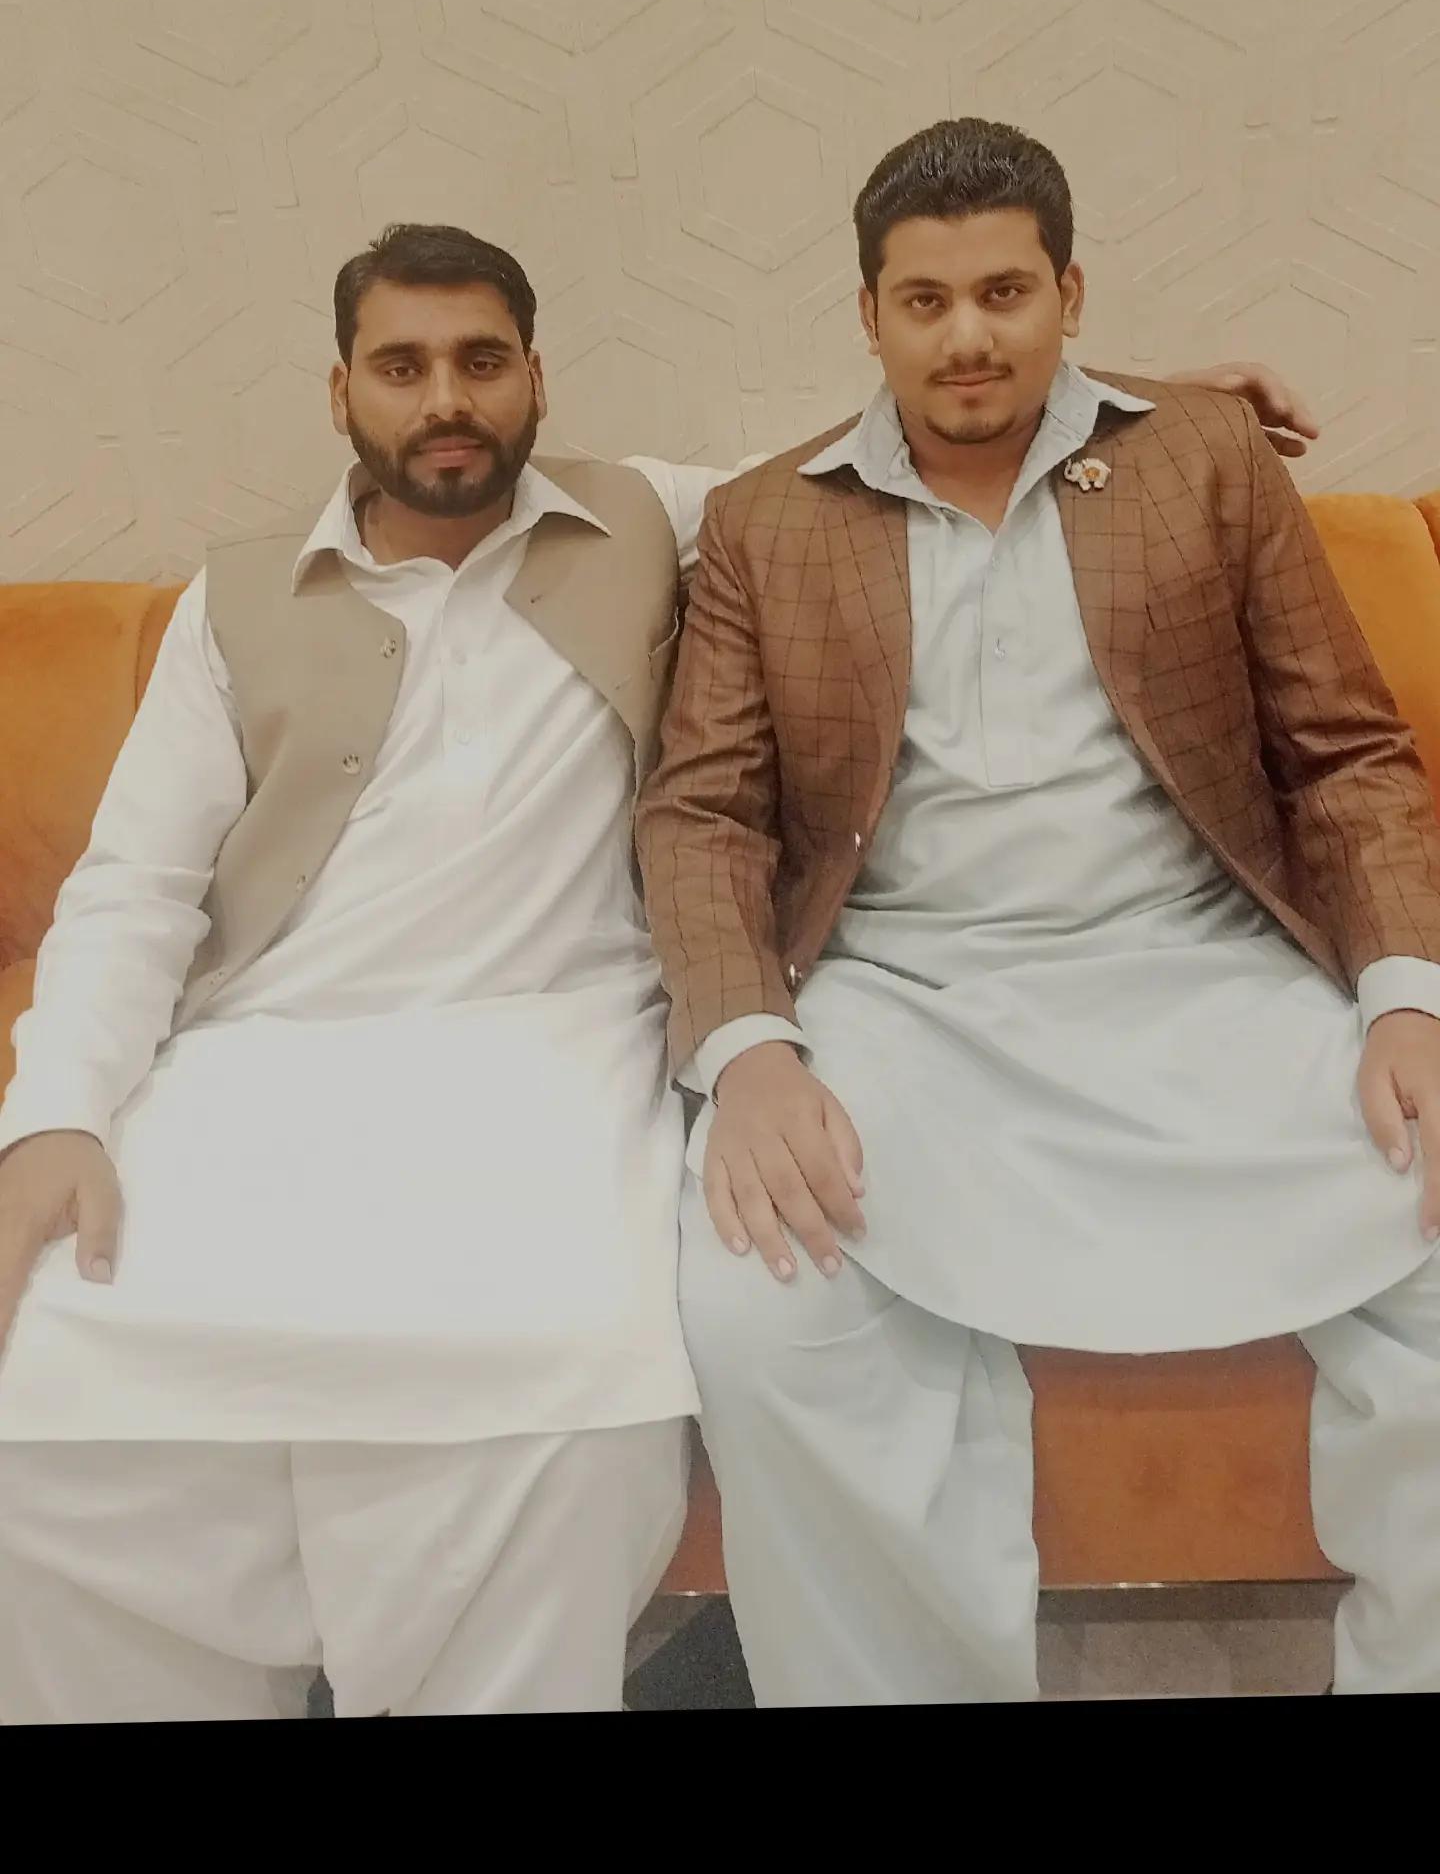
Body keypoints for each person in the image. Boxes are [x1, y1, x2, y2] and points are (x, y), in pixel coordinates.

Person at [0, 215, 1312, 1723]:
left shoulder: (650, 519)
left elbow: (896, 437)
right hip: (264, 1058)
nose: (447, 399)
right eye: (403, 367)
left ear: (537, 376)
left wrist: (1141, 402)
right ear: (341, 390)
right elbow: (136, 887)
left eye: (482, 361)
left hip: (553, 1052)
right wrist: (58, 1115)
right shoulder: (229, 604)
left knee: (573, 1400)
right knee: (58, 1402)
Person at [636, 118, 1440, 1707]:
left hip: (1205, 979)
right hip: (904, 1003)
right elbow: (703, 815)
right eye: (925, 302)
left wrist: (1407, 993)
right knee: (758, 1303)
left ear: (1070, 294)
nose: (969, 336)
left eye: (1006, 293)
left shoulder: (1202, 459)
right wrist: (750, 1052)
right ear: (868, 316)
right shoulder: (766, 521)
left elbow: (1345, 754)